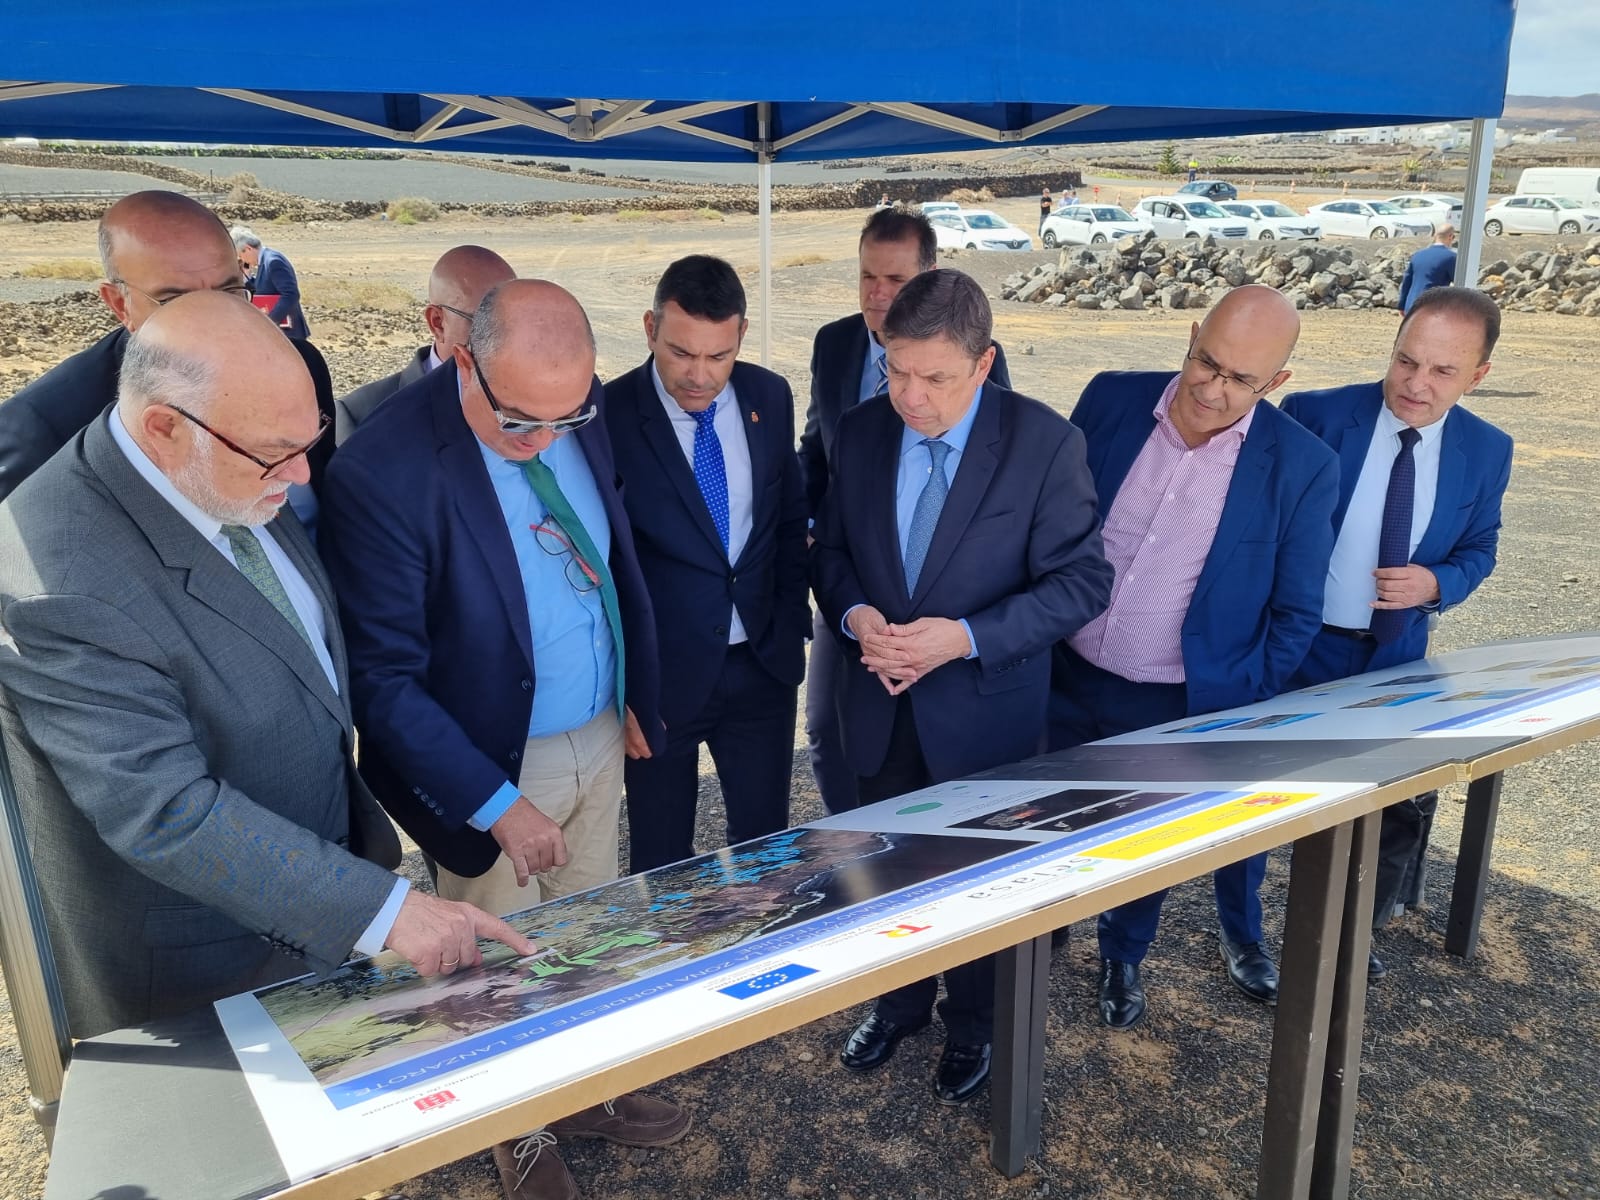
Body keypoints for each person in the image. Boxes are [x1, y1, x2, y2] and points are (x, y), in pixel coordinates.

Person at [0, 292, 535, 1041]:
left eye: (309, 442)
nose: (303, 476)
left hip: (312, 907)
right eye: (277, 454)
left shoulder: (231, 462)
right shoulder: (58, 581)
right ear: (163, 427)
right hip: (204, 962)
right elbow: (163, 809)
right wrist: (384, 911)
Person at [318, 279, 686, 1200]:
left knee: (587, 925)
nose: (545, 441)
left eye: (568, 418)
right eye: (519, 421)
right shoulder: (382, 472)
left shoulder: (571, 411)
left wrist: (627, 691)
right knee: (490, 957)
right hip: (490, 766)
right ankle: (513, 1127)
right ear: (462, 360)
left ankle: (583, 1087)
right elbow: (384, 682)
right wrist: (495, 802)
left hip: (597, 730)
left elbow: (611, 564)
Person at [812, 269, 1112, 1106]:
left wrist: (965, 638)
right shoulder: (860, 431)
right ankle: (899, 1001)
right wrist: (857, 617)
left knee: (979, 882)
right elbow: (830, 554)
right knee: (887, 869)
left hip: (985, 722)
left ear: (984, 363)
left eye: (935, 377)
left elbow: (1082, 583)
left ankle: (974, 1021)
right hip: (877, 708)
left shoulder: (1044, 443)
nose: (911, 396)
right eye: (896, 370)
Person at [1048, 285, 1340, 1030]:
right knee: (1040, 819)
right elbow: (1051, 523)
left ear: (1276, 382)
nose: (1212, 389)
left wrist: (1234, 694)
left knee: (1145, 842)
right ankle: (1042, 931)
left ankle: (1123, 954)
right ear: (1189, 336)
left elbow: (1297, 611)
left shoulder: (1302, 465)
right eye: (1206, 362)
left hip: (1176, 699)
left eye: (1241, 379)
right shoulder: (1111, 399)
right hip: (1061, 672)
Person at [1282, 285, 1512, 981]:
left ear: (1478, 376)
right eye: (1406, 361)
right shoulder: (1316, 415)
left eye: (1443, 371)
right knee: (1265, 801)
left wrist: (1437, 583)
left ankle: (1355, 935)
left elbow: (1481, 547)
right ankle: (1245, 937)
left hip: (1394, 658)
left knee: (1393, 809)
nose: (1416, 384)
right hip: (1296, 650)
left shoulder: (1488, 449)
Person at [798, 209, 1011, 814]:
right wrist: (812, 531)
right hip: (851, 582)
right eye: (867, 276)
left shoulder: (973, 364)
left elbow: (993, 478)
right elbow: (817, 449)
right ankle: (850, 835)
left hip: (933, 600)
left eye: (894, 280)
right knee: (828, 729)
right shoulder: (834, 343)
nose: (877, 293)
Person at [603, 256, 809, 872]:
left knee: (767, 854)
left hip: (762, 669)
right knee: (662, 861)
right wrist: (624, 688)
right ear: (650, 329)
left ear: (741, 334)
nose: (699, 376)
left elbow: (788, 519)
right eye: (681, 353)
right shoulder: (608, 415)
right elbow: (603, 564)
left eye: (718, 356)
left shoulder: (769, 395)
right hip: (661, 683)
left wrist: (788, 623)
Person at [0, 191, 339, 520]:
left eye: (229, 290)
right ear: (119, 303)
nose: (215, 316)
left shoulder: (302, 365)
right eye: (176, 300)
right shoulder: (43, 428)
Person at [336, 244, 515, 442]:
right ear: (437, 323)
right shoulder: (362, 415)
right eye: (485, 324)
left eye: (517, 323)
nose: (507, 339)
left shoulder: (537, 398)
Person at [232, 225, 309, 339]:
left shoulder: (273, 262)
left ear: (248, 249)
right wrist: (247, 277)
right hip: (280, 331)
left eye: (240, 255)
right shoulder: (265, 261)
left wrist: (270, 322)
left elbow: (290, 295)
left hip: (288, 333)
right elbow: (264, 289)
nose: (242, 260)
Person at [1400, 224, 1458, 314]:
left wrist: (1402, 305)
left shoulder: (1418, 255)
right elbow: (1459, 283)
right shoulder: (1451, 257)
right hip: (1431, 309)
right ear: (1450, 237)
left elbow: (1407, 282)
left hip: (1411, 306)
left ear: (1435, 235)